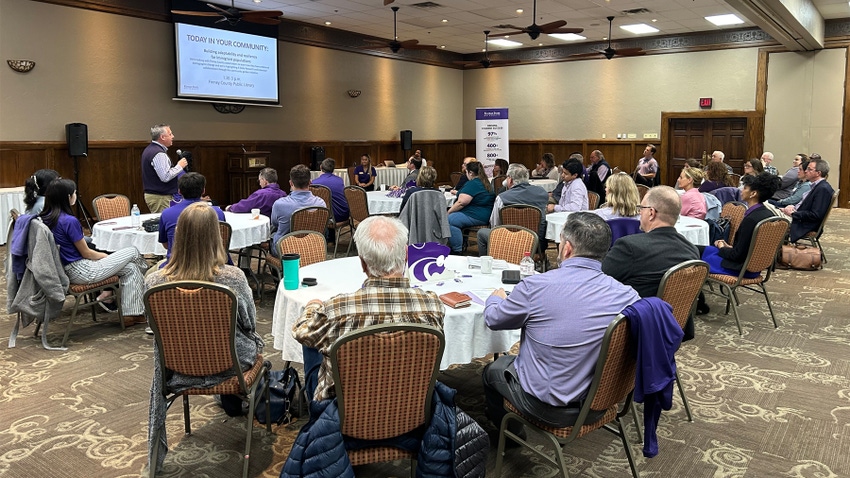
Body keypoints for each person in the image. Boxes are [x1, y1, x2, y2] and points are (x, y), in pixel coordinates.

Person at [482, 212, 640, 432]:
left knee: (492, 370)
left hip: (550, 409)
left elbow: (493, 320)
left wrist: (494, 298)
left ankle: (508, 440)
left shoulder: (536, 287)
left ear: (567, 249)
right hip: (602, 401)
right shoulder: (629, 295)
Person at [146, 202, 264, 474]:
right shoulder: (233, 278)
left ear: (179, 236)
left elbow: (154, 329)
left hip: (176, 367)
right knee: (255, 346)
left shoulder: (154, 282)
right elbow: (249, 324)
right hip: (229, 365)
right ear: (216, 235)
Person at [293, 215, 445, 401]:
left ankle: (314, 405)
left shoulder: (337, 309)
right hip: (410, 408)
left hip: (345, 414)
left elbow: (301, 333)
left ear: (363, 263)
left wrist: (313, 306)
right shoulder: (433, 305)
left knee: (315, 337)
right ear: (406, 256)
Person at [39, 178, 148, 327]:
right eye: (74, 193)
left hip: (65, 269)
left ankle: (131, 315)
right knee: (133, 251)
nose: (76, 195)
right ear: (68, 197)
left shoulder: (45, 218)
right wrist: (109, 258)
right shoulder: (69, 221)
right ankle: (149, 280)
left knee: (131, 268)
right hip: (82, 270)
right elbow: (87, 254)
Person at [602, 186, 700, 298]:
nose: (639, 212)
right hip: (674, 314)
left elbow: (598, 279)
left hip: (633, 313)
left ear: (651, 213)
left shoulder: (629, 247)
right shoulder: (692, 250)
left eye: (641, 208)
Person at [701, 172, 780, 275]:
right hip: (755, 267)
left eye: (745, 188)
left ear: (753, 193)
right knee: (702, 249)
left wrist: (721, 246)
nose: (741, 191)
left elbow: (737, 256)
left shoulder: (751, 220)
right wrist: (728, 247)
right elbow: (749, 248)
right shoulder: (769, 214)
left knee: (693, 252)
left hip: (739, 268)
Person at [476, 163, 549, 257]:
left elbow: (495, 225)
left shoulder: (502, 198)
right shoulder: (542, 193)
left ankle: (489, 263)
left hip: (510, 243)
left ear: (509, 180)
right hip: (536, 244)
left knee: (482, 233)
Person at [158, 172, 226, 266]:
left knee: (150, 273)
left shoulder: (167, 214)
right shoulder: (217, 212)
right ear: (203, 191)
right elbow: (222, 241)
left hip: (177, 265)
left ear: (179, 191)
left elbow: (166, 245)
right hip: (212, 264)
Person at [270, 164, 326, 254]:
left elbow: (275, 224)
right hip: (313, 249)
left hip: (286, 251)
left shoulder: (279, 204)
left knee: (273, 232)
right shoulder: (321, 204)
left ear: (291, 183)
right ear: (310, 182)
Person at [781, 157, 835, 243]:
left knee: (768, 220)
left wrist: (794, 213)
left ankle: (769, 253)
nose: (806, 171)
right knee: (768, 208)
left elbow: (815, 215)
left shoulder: (822, 189)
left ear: (818, 173)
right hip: (797, 216)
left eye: (809, 169)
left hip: (802, 223)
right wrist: (793, 207)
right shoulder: (817, 186)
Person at [446, 161, 496, 253]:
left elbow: (461, 202)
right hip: (483, 214)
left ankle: (457, 250)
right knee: (453, 218)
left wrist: (448, 213)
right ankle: (462, 244)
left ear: (471, 173)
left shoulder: (473, 183)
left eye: (466, 172)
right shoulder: (484, 182)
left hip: (476, 215)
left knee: (449, 220)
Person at [141, 123, 188, 213]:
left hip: (157, 196)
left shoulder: (150, 149)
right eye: (170, 134)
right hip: (160, 198)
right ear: (162, 137)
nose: (173, 136)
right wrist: (180, 166)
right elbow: (165, 177)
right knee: (165, 223)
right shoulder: (158, 154)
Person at [310, 158, 350, 224]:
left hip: (328, 216)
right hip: (343, 214)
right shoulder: (340, 180)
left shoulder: (315, 183)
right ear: (333, 169)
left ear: (320, 167)